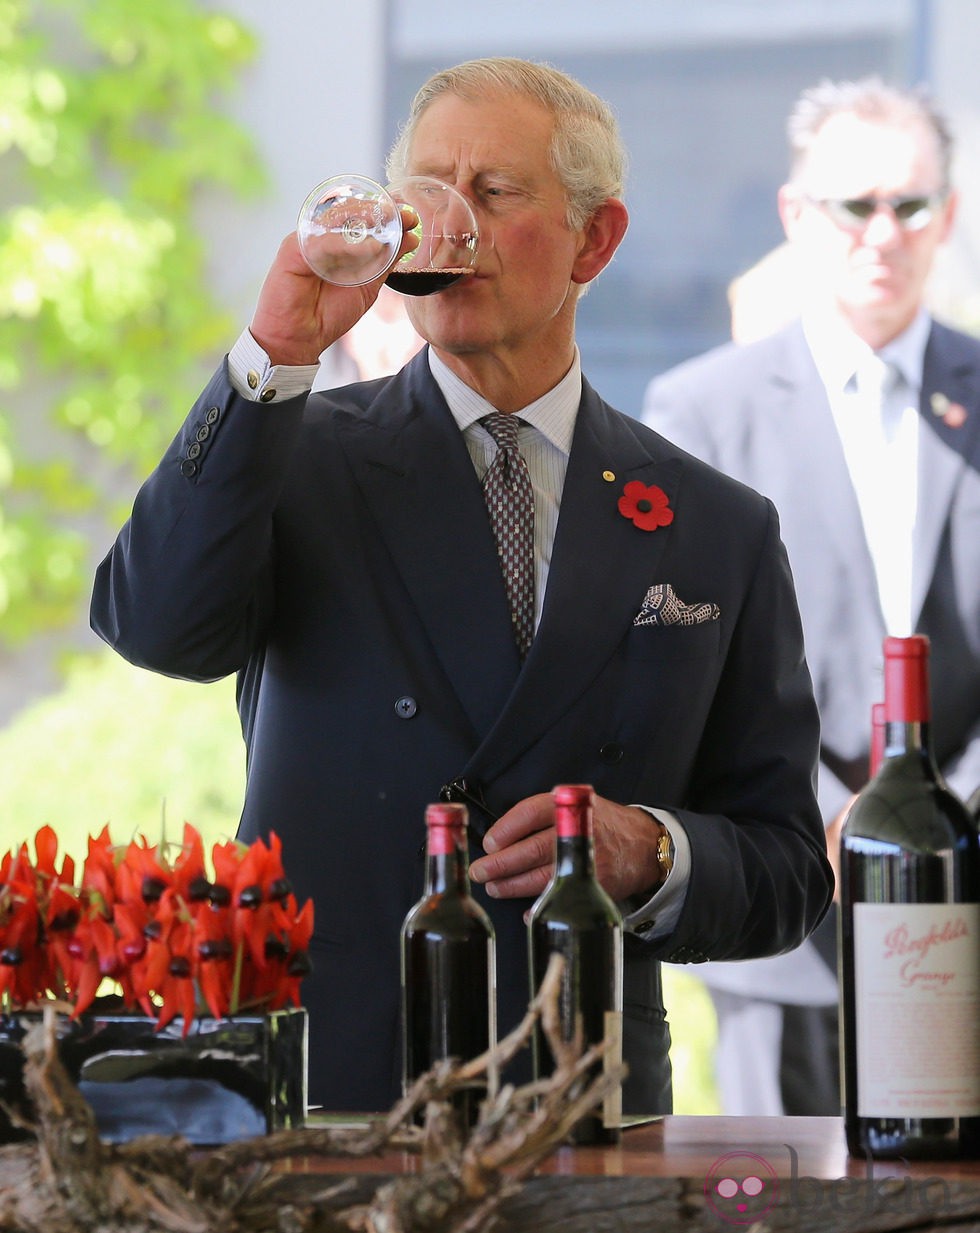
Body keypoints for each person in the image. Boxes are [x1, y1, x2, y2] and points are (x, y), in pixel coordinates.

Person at [90, 57, 833, 1115]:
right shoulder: (294, 456)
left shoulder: (715, 524)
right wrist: (273, 350)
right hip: (325, 1096)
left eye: (494, 193)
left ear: (595, 239)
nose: (452, 229)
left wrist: (654, 851)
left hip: (578, 1099)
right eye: (430, 194)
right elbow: (157, 628)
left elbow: (785, 871)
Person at [643, 76, 980, 1115]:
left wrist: (949, 811)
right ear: (796, 215)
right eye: (853, 205)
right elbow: (687, 673)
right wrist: (839, 820)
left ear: (947, 216)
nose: (881, 232)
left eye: (908, 204)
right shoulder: (701, 412)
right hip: (789, 909)